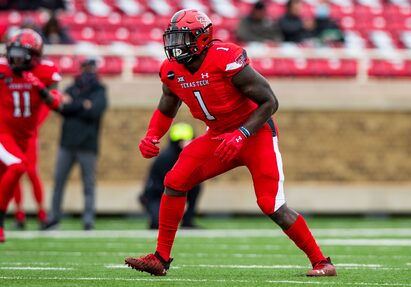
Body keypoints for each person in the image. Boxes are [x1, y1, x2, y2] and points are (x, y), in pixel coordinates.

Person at [124, 9, 336, 277]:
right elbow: (167, 107)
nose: (176, 45)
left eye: (183, 38)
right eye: (174, 38)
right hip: (217, 136)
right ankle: (160, 258)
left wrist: (242, 134)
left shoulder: (224, 57)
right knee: (174, 181)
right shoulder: (171, 71)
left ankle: (321, 262)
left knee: (270, 203)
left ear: (201, 38)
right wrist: (152, 135)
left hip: (254, 134)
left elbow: (270, 101)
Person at [0, 28, 63, 243]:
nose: (16, 59)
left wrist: (41, 89)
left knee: (12, 174)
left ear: (35, 56)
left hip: (25, 135)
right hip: (3, 132)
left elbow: (56, 103)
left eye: (22, 54)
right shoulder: (2, 68)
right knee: (18, 167)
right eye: (13, 53)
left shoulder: (45, 71)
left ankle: (35, 214)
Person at [43, 57, 107, 231]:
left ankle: (88, 220)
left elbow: (95, 111)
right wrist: (82, 105)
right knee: (59, 182)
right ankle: (53, 217)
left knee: (88, 184)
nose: (88, 70)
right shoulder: (72, 87)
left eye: (90, 67)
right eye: (85, 66)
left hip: (87, 145)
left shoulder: (99, 89)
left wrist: (74, 104)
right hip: (67, 143)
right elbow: (61, 108)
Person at [139, 122, 202, 230]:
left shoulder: (192, 156)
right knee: (158, 223)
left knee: (197, 187)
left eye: (188, 140)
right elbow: (166, 184)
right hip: (156, 195)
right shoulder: (165, 158)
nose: (186, 144)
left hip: (178, 191)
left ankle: (187, 221)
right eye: (182, 141)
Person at [13, 104, 50, 230]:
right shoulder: (8, 86)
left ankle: (42, 215)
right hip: (13, 137)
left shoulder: (31, 85)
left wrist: (33, 124)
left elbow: (46, 104)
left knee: (32, 173)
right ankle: (19, 215)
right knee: (15, 173)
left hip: (29, 138)